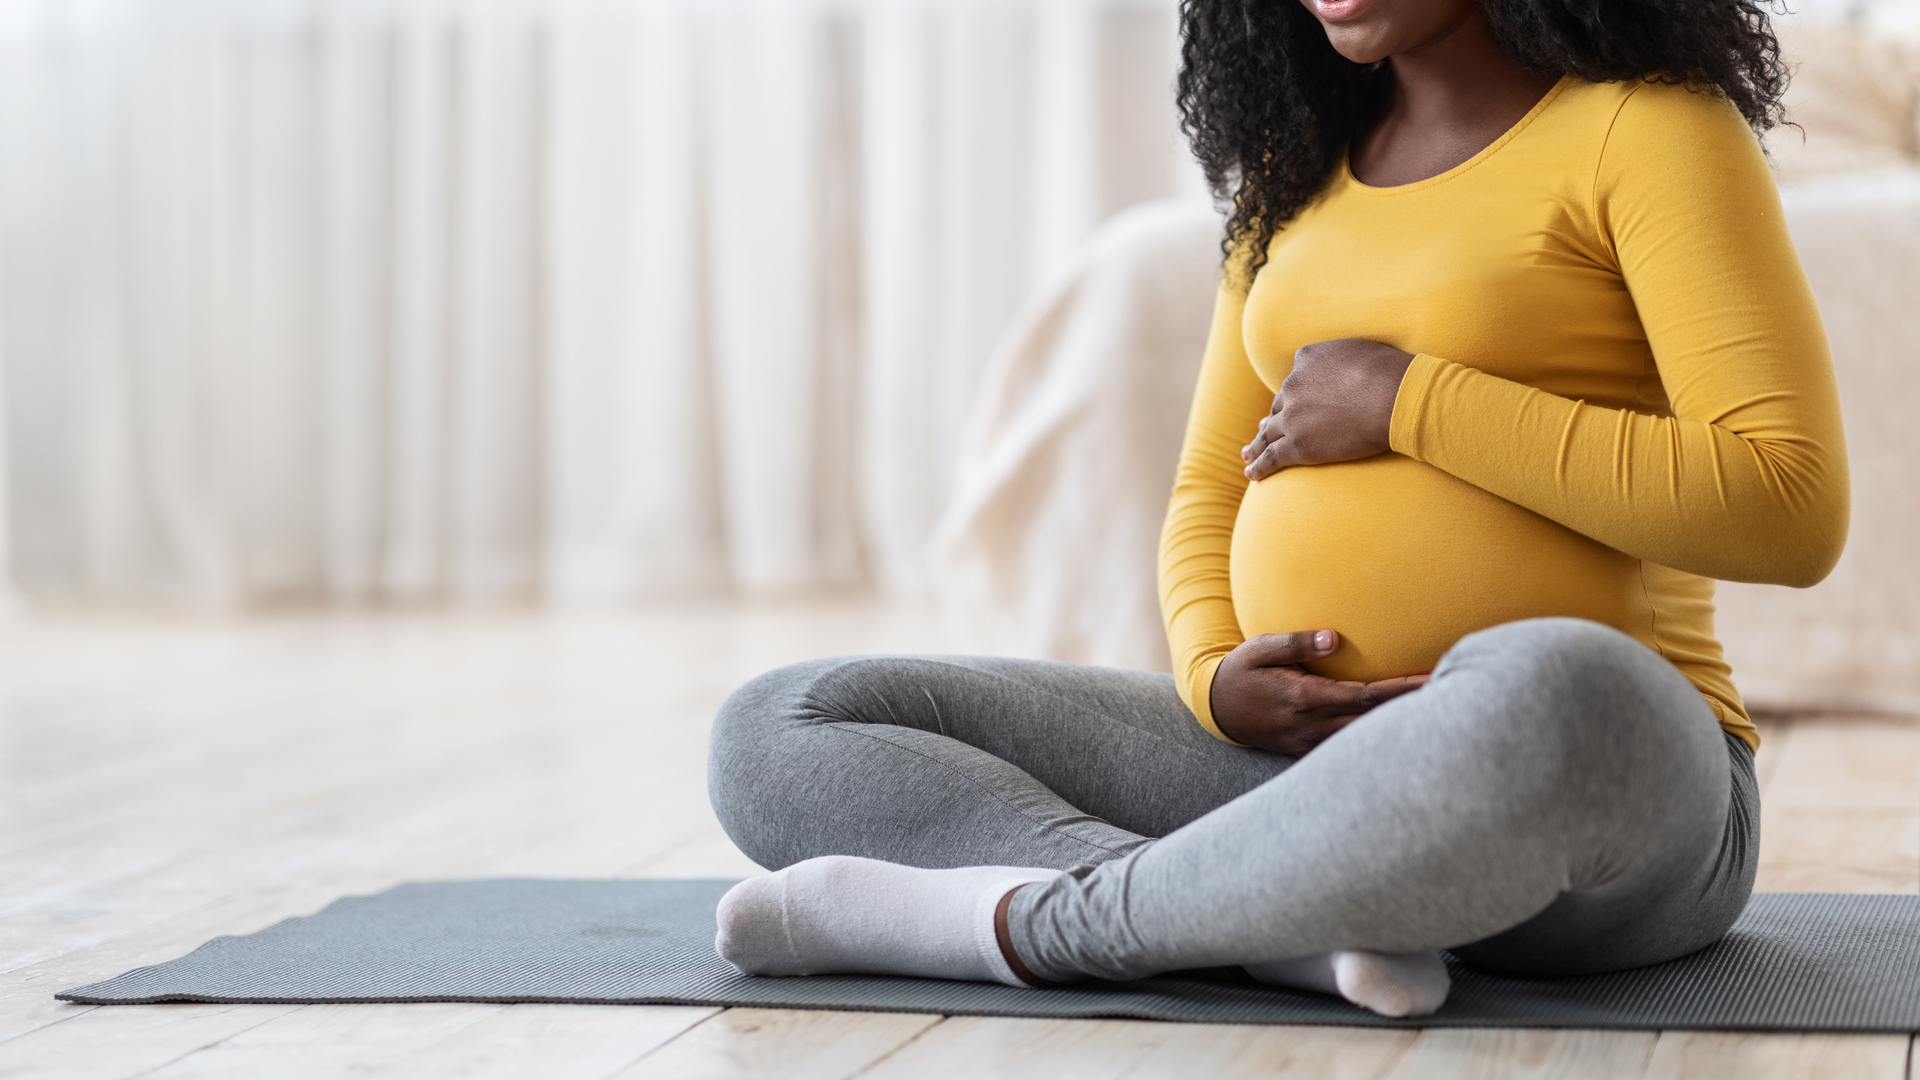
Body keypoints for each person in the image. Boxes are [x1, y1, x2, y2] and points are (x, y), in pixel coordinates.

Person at [703, 0, 1847, 1017]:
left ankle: (1050, 930)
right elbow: (1210, 483)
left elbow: (1788, 504)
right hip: (1294, 776)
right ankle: (1281, 931)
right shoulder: (1288, 172)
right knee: (786, 723)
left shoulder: (1649, 131)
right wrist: (1209, 673)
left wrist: (1411, 400)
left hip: (1598, 792)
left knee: (1553, 685)